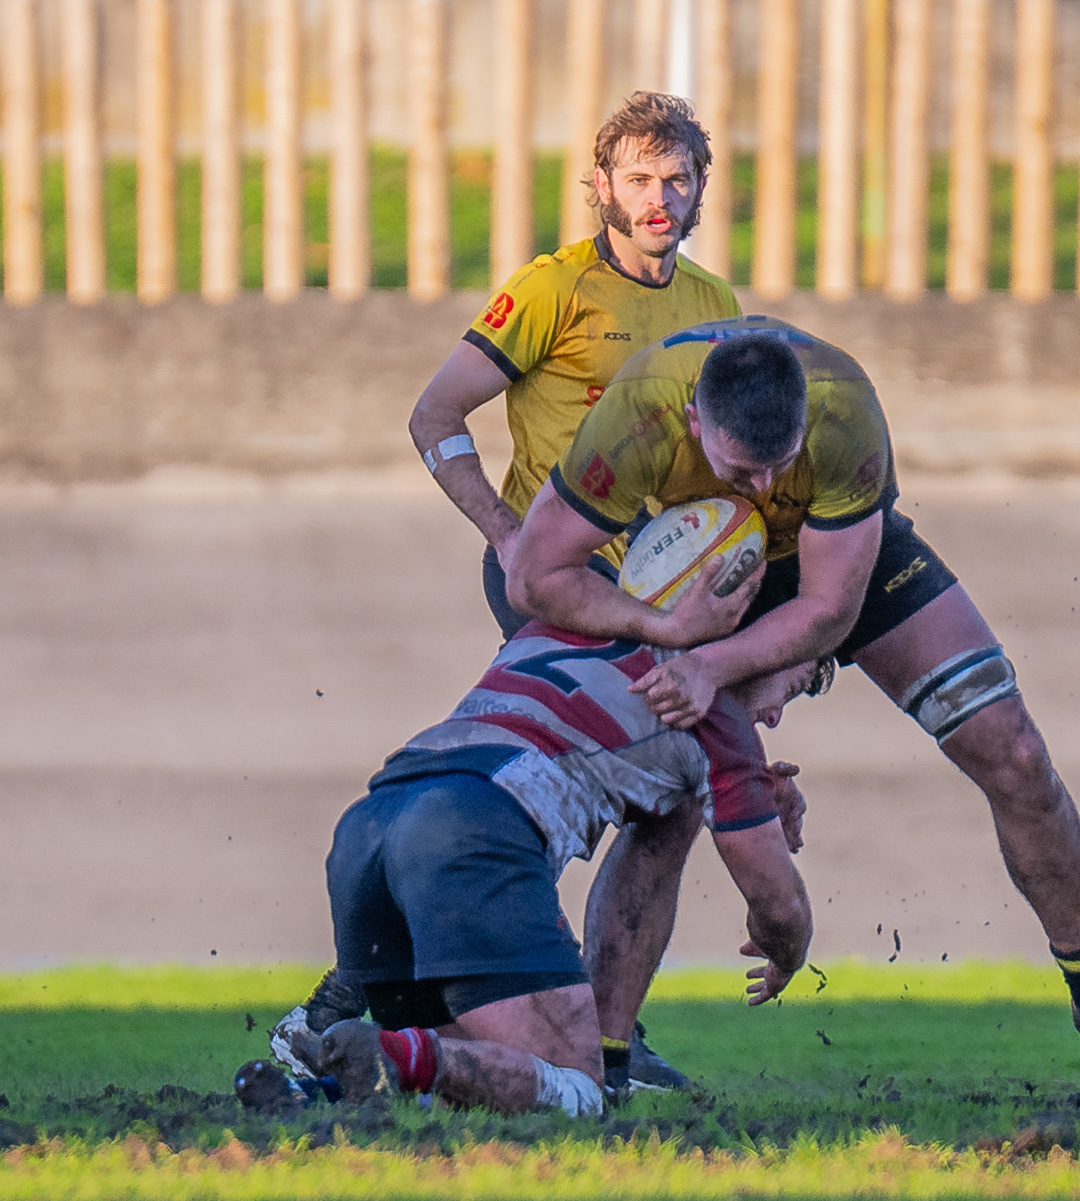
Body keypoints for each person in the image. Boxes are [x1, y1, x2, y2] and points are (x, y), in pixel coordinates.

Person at [506, 319, 1080, 1099]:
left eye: (779, 466)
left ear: (803, 426)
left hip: (830, 559)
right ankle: (608, 1064)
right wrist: (670, 635)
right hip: (687, 577)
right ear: (696, 423)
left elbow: (831, 610)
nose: (763, 489)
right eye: (741, 470)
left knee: (1015, 749)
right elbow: (533, 576)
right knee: (665, 815)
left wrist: (727, 668)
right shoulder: (639, 415)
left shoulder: (842, 409)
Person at [401, 89, 741, 1090]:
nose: (659, 199)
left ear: (701, 189)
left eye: (678, 180)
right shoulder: (550, 290)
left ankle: (604, 1036)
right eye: (638, 179)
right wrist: (509, 537)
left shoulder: (715, 307)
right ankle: (441, 1002)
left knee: (670, 791)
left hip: (656, 592)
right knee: (621, 775)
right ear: (600, 186)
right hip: (557, 582)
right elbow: (433, 416)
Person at [248, 621, 826, 1118]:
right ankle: (384, 1051)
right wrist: (788, 952)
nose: (774, 715)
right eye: (796, 683)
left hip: (369, 825)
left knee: (473, 1085)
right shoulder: (710, 712)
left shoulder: (566, 625)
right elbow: (778, 905)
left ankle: (306, 1091)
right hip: (470, 826)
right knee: (577, 1090)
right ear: (763, 643)